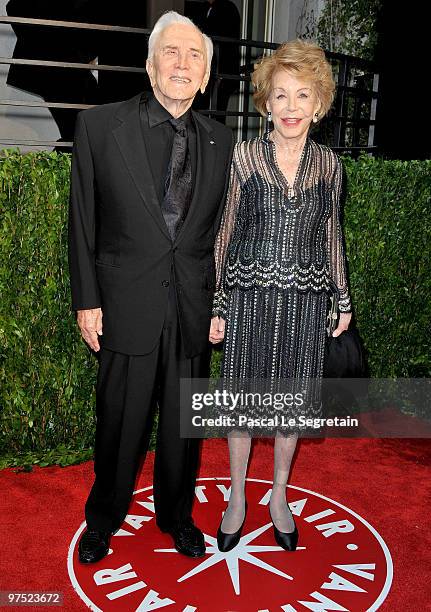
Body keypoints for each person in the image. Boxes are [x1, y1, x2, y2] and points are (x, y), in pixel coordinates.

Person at [68, 11, 234, 563]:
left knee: (183, 428)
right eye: (172, 52)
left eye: (195, 57)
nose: (182, 64)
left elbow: (227, 234)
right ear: (149, 64)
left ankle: (178, 516)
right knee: (118, 421)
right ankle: (104, 517)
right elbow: (83, 221)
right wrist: (87, 299)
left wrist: (222, 302)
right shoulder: (99, 127)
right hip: (125, 303)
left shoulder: (223, 141)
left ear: (207, 75)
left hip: (193, 305)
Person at [209, 39, 352, 552]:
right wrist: (219, 305)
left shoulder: (331, 166)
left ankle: (278, 496)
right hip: (249, 303)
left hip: (306, 304)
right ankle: (238, 497)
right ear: (266, 102)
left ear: (319, 104)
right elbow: (225, 233)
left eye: (302, 96)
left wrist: (343, 298)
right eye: (281, 95)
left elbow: (332, 235)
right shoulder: (244, 157)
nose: (291, 107)